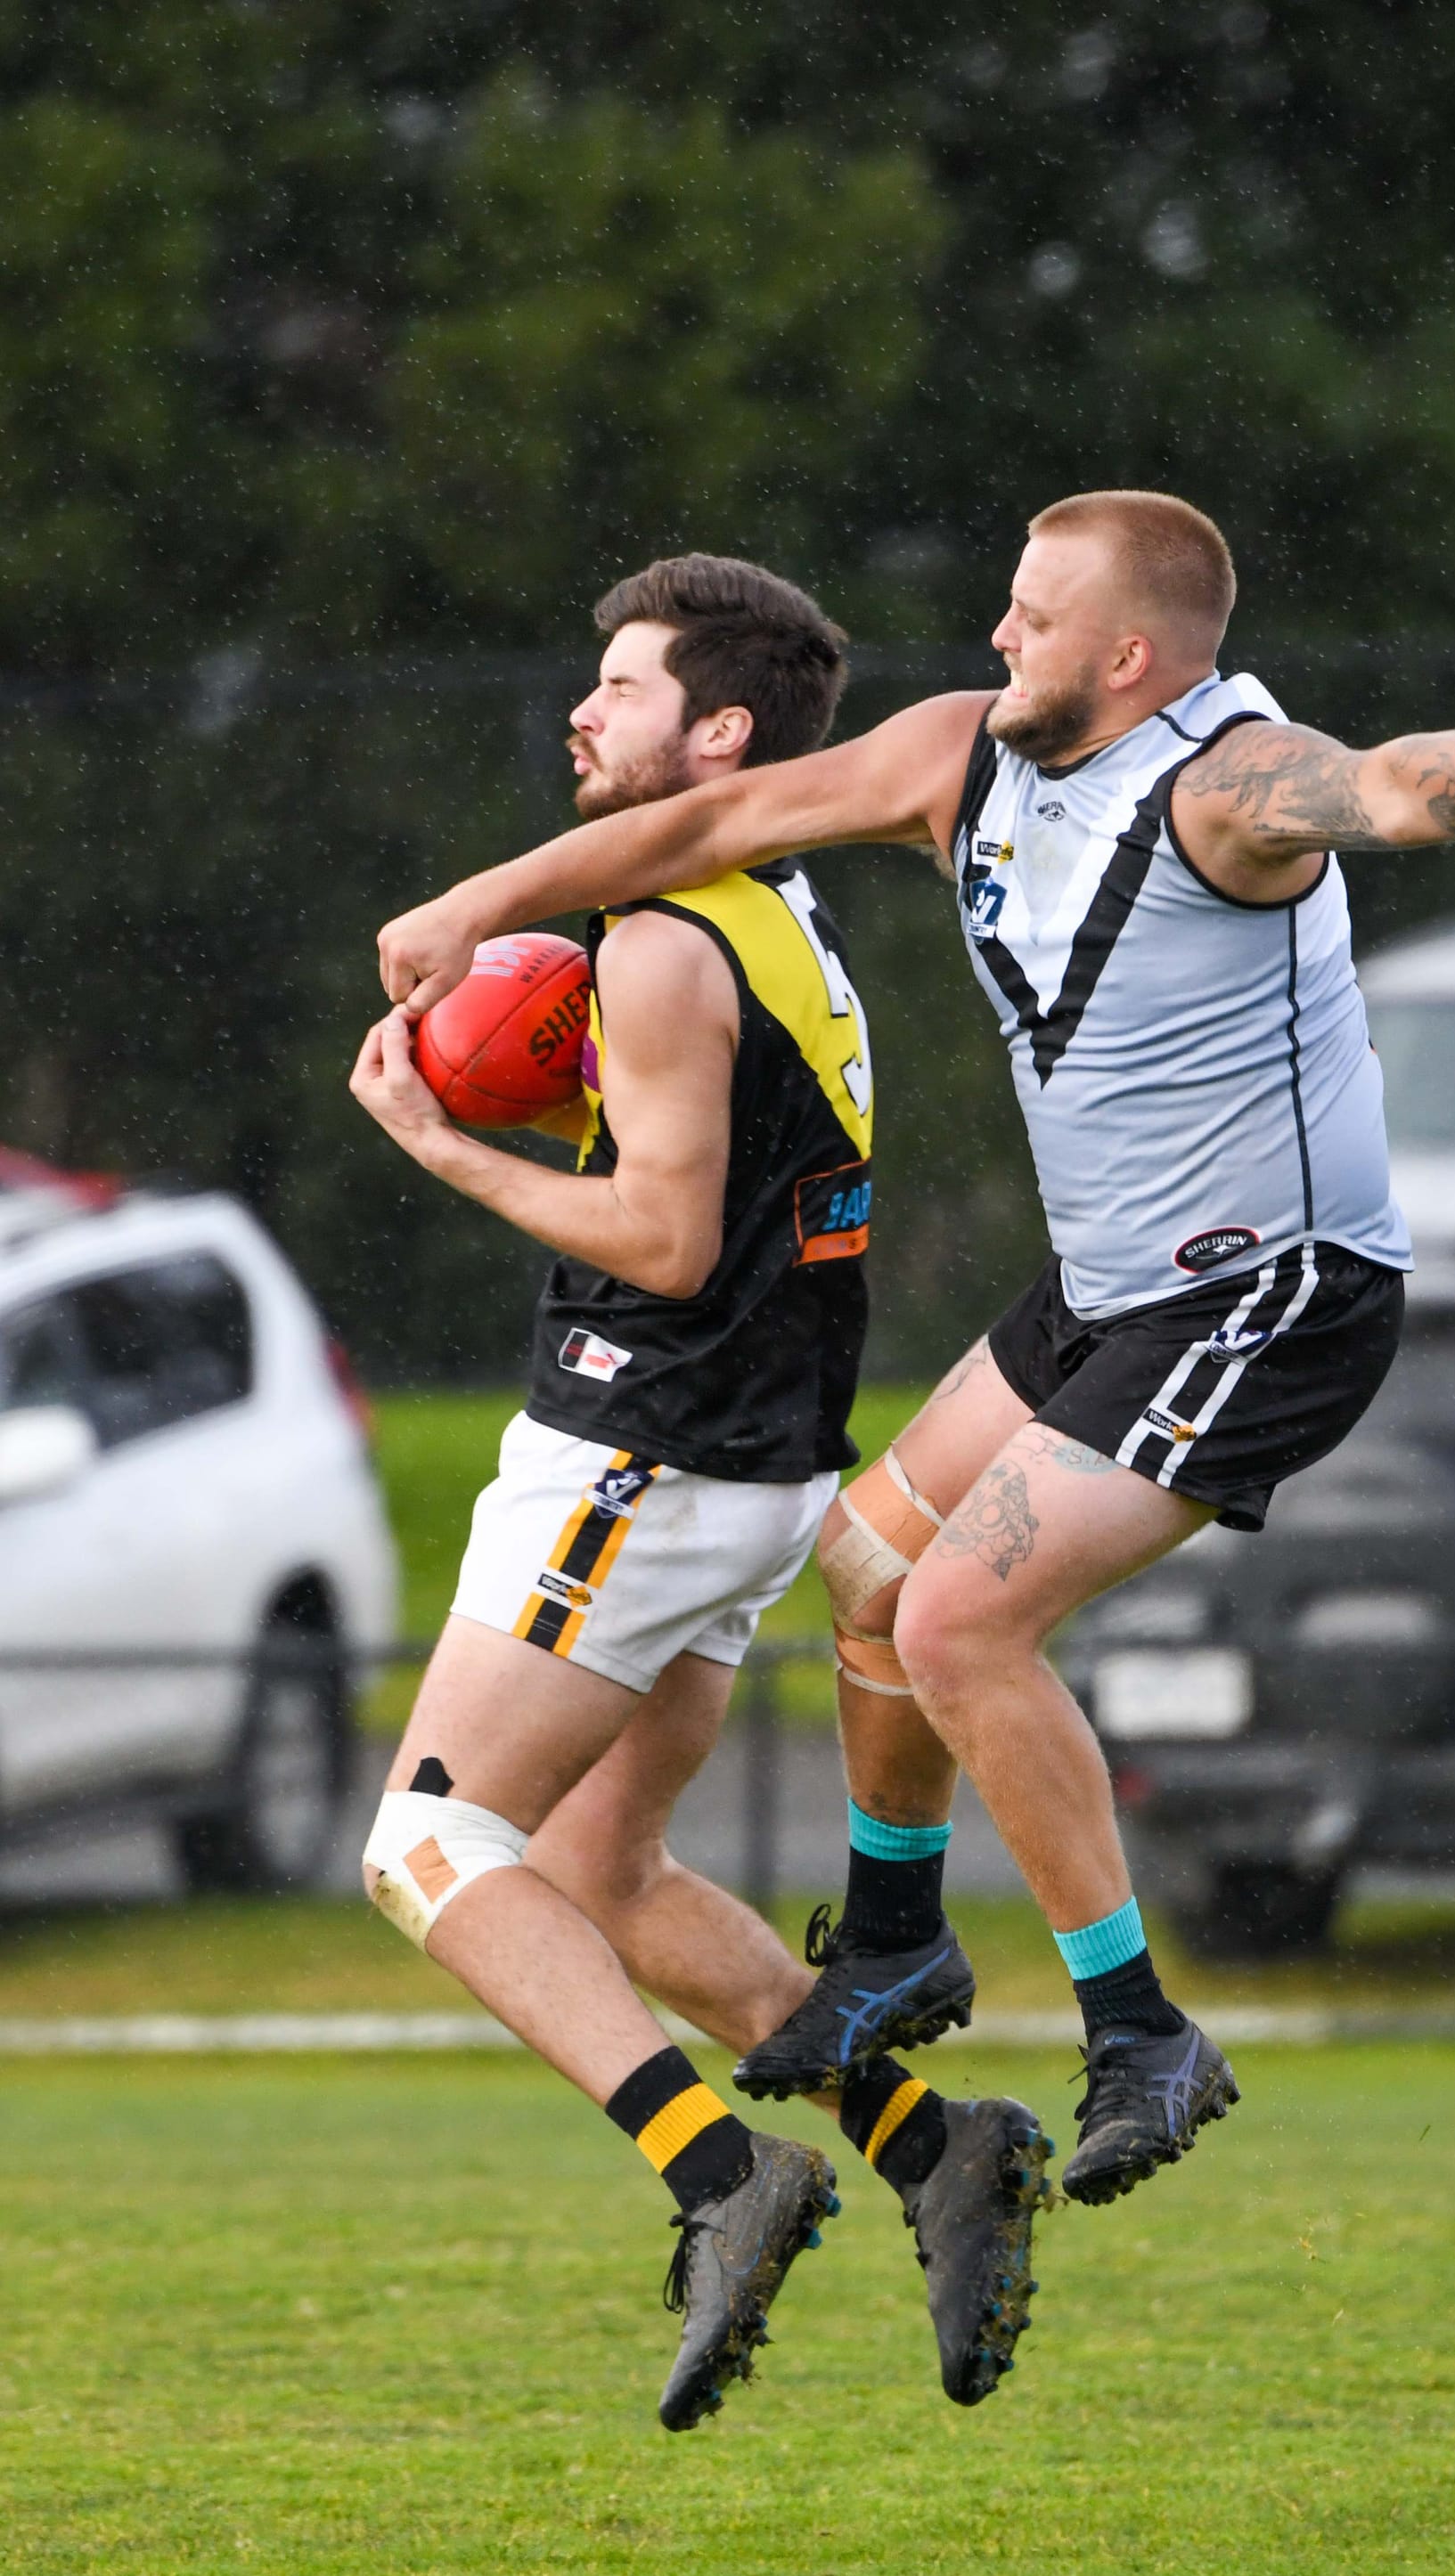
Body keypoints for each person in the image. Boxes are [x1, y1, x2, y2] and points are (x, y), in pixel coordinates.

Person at [374, 490, 1455, 2211]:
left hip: (1275, 1294)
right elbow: (712, 818)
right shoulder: (963, 755)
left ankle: (1139, 2026)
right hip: (1107, 1289)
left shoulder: (1221, 784)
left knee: (957, 1619)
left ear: (1130, 654)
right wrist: (478, 900)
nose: (999, 635)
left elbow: (1382, 787)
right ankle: (896, 1938)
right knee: (868, 1561)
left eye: (1035, 616)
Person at [348, 554, 1048, 2434]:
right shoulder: (770, 906)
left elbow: (664, 1243)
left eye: (626, 686)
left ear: (721, 732)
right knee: (602, 1870)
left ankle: (722, 2173)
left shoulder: (661, 943)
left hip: (640, 1454)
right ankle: (938, 2151)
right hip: (746, 1460)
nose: (583, 712)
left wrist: (435, 1140)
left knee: (428, 1849)